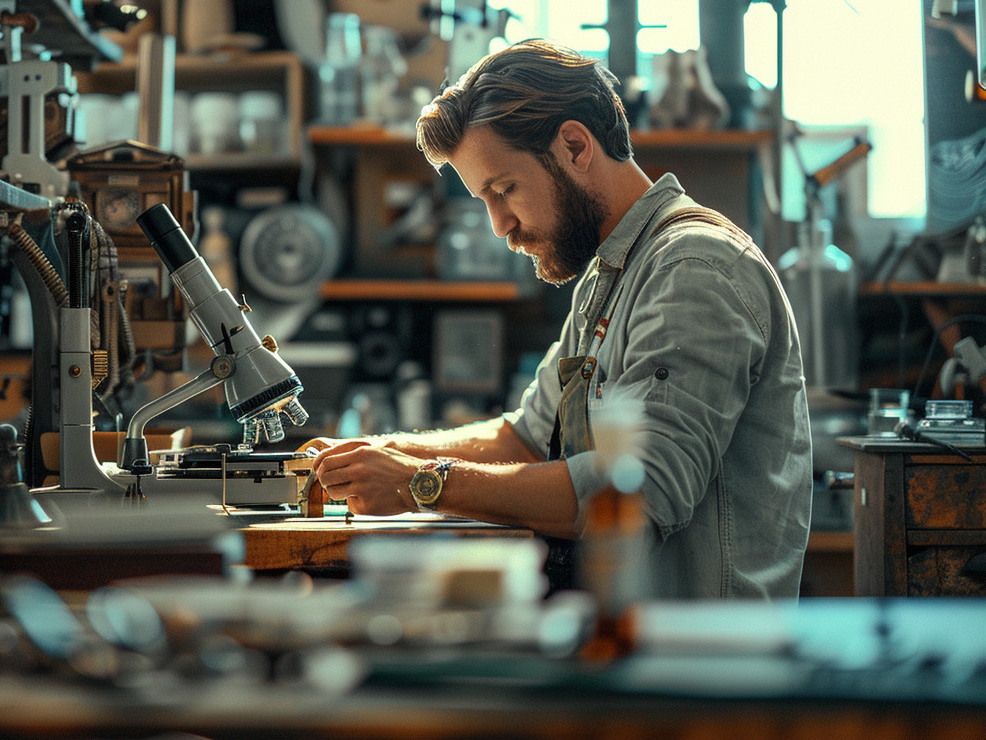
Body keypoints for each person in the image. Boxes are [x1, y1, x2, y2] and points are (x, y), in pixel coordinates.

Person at [307, 39, 812, 600]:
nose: (500, 225)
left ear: (574, 146)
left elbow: (644, 489)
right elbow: (526, 439)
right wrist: (377, 458)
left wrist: (419, 483)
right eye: (486, 200)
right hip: (621, 646)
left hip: (694, 663)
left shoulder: (694, 266)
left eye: (504, 190)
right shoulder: (611, 274)